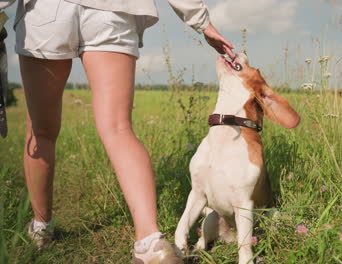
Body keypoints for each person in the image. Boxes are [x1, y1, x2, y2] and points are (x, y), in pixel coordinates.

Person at [5, 0, 234, 263]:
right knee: (118, 129)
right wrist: (201, 21)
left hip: (48, 11)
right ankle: (150, 244)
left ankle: (41, 229)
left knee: (41, 130)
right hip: (114, 10)